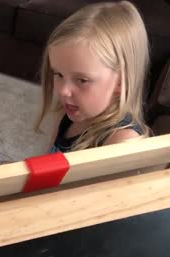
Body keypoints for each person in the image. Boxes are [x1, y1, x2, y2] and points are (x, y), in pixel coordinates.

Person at [34, 1, 151, 153]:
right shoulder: (67, 112)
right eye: (59, 74)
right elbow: (47, 165)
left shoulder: (122, 140)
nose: (63, 91)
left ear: (121, 82)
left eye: (82, 80)